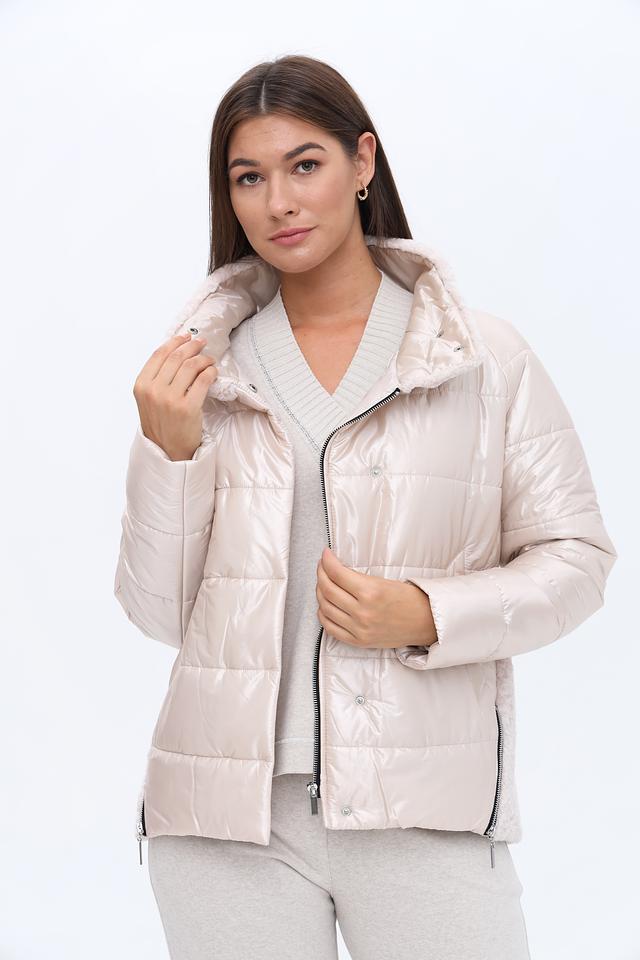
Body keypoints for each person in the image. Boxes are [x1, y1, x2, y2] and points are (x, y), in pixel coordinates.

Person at [113, 54, 617, 960]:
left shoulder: (481, 359)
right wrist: (171, 454)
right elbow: (158, 614)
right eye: (249, 178)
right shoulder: (200, 373)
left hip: (422, 808)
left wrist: (429, 613)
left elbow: (577, 560)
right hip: (224, 826)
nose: (279, 201)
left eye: (304, 164)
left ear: (363, 162)